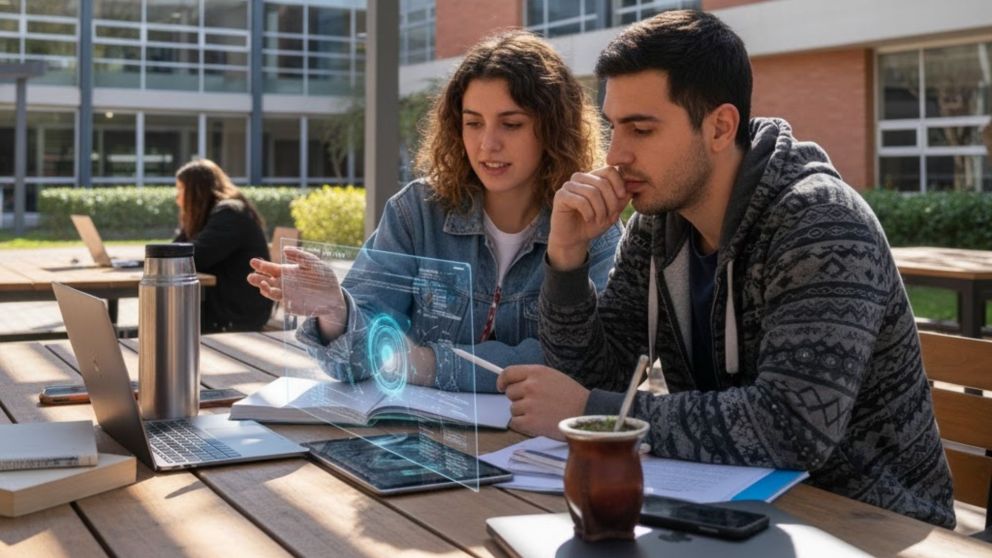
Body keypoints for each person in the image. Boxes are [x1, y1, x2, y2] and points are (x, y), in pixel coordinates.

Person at [497, 10, 955, 528]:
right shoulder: (659, 225)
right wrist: (566, 261)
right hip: (735, 505)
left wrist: (602, 413)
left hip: (873, 520)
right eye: (614, 127)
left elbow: (791, 427)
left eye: (641, 129)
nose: (616, 154)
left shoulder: (821, 224)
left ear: (720, 127)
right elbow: (598, 376)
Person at [248, 31, 622, 394]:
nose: (487, 144)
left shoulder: (592, 223)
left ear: (554, 129)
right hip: (422, 441)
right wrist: (335, 311)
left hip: (540, 447)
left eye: (511, 124)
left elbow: (585, 366)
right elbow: (355, 361)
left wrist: (430, 365)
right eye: (473, 123)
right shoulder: (417, 212)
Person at [174, 158, 273, 333]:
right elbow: (177, 249)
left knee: (168, 320)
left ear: (196, 191)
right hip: (225, 305)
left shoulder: (230, 214)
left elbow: (196, 258)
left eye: (181, 189)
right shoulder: (212, 214)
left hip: (237, 312)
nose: (177, 197)